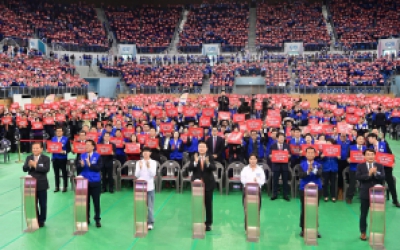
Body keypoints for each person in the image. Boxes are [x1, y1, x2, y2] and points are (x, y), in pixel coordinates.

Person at [356, 149, 385, 241]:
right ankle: (363, 232)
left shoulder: (379, 166)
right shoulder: (360, 166)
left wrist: (375, 173)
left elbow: (383, 177)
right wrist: (368, 174)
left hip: (377, 193)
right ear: (365, 156)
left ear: (375, 155)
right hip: (365, 193)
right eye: (368, 154)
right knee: (364, 214)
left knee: (378, 214)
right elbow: (358, 177)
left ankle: (377, 232)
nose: (370, 156)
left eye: (372, 154)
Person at [188, 141, 216, 231]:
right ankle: (198, 221)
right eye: (200, 147)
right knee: (198, 204)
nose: (201, 148)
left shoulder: (210, 157)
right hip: (197, 184)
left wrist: (207, 163)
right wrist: (195, 162)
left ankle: (208, 223)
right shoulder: (194, 157)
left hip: (208, 184)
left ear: (206, 148)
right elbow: (190, 168)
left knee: (208, 205)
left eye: (203, 147)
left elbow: (214, 168)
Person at [367, 133, 400, 207]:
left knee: (391, 184)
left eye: (369, 138)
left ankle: (395, 200)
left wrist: (393, 162)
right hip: (377, 168)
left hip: (387, 168)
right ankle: (377, 201)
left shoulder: (384, 144)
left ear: (374, 138)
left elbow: (390, 153)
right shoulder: (370, 147)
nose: (368, 140)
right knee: (377, 184)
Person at [22, 142, 50, 228]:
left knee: (43, 204)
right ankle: (36, 219)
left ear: (41, 149)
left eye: (37, 148)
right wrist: (29, 166)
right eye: (34, 148)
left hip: (41, 184)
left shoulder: (46, 158)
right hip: (31, 184)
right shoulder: (29, 157)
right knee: (33, 203)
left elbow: (46, 169)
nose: (35, 150)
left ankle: (42, 220)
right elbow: (24, 169)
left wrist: (35, 165)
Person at [298, 147, 322, 238]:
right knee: (304, 209)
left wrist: (313, 169)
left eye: (312, 153)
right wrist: (308, 171)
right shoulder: (301, 165)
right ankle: (303, 229)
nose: (311, 154)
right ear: (306, 154)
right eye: (309, 153)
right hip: (304, 189)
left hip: (317, 189)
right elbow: (301, 176)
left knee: (314, 209)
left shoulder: (319, 165)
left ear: (315, 154)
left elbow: (319, 174)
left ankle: (315, 229)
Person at [80, 140, 103, 227]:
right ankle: (87, 219)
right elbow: (78, 168)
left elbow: (99, 168)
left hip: (95, 182)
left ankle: (97, 219)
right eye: (86, 145)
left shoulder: (98, 156)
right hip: (85, 182)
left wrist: (90, 165)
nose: (87, 147)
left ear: (93, 147)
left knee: (96, 202)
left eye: (89, 145)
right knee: (86, 202)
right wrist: (81, 165)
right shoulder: (82, 155)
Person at [240, 153, 265, 231]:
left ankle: (255, 227)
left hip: (257, 191)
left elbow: (263, 181)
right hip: (247, 191)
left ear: (257, 160)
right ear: (249, 160)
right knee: (247, 209)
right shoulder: (245, 169)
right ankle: (247, 228)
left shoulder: (260, 169)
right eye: (251, 159)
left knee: (256, 209)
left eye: (254, 159)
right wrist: (250, 182)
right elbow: (242, 180)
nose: (253, 161)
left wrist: (257, 181)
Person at [135, 147, 157, 230]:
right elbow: (137, 175)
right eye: (144, 152)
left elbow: (153, 174)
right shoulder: (139, 162)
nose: (145, 153)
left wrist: (148, 167)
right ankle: (142, 221)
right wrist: (140, 168)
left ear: (150, 153)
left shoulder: (153, 162)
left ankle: (150, 222)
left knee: (150, 206)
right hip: (140, 186)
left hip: (150, 187)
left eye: (147, 152)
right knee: (141, 205)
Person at [269, 133, 291, 201]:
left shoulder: (287, 145)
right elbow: (270, 155)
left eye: (283, 138)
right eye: (280, 137)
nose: (282, 139)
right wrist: (270, 156)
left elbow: (289, 155)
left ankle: (285, 195)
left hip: (284, 166)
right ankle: (274, 194)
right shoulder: (273, 146)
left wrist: (289, 156)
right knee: (275, 181)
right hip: (276, 166)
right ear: (277, 138)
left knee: (285, 181)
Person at [346, 135, 366, 204]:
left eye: (362, 139)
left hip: (363, 169)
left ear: (364, 141)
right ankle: (350, 197)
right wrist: (348, 159)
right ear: (356, 140)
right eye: (359, 139)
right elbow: (348, 157)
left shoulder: (366, 148)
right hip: (353, 168)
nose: (361, 140)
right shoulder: (351, 147)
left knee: (365, 183)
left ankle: (364, 197)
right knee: (352, 183)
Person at [51, 127, 71, 192]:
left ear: (62, 132)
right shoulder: (53, 139)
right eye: (57, 131)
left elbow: (69, 149)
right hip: (55, 158)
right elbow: (51, 147)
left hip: (63, 159)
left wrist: (64, 152)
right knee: (56, 173)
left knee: (64, 173)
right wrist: (49, 150)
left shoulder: (66, 139)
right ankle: (57, 186)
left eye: (60, 131)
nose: (58, 132)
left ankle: (65, 186)